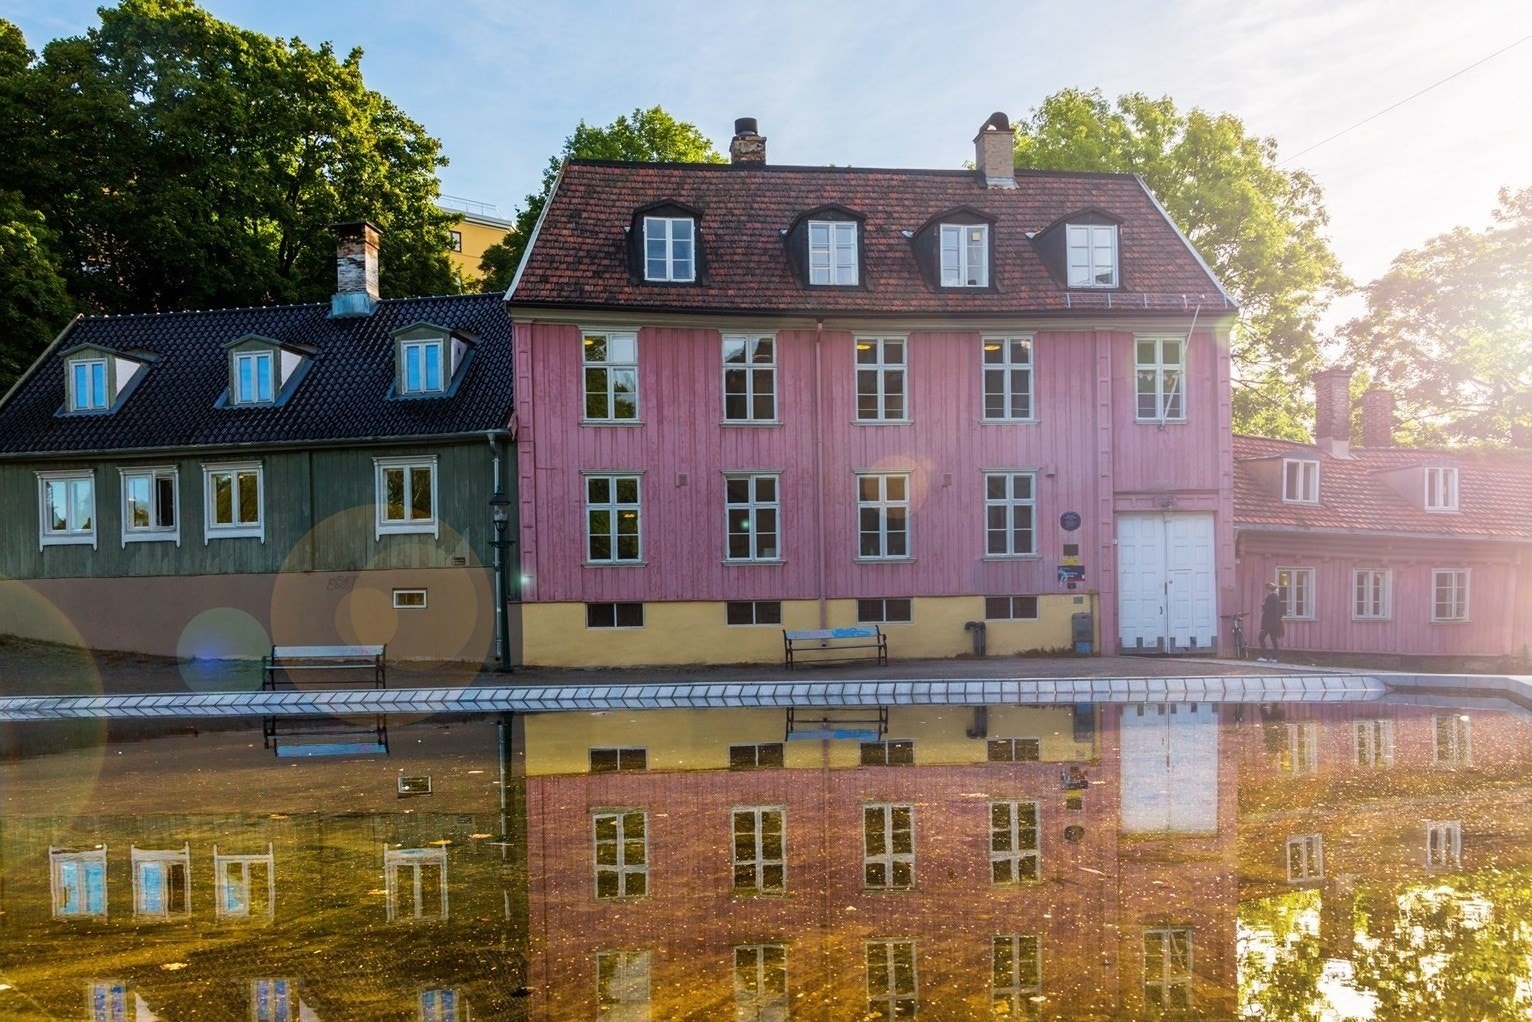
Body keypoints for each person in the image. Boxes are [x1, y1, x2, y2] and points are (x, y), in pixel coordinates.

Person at [1257, 581, 1284, 662]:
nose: (1266, 590)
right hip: (1275, 622)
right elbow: (1280, 611)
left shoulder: (1270, 597)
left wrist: (1263, 605)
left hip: (1268, 623)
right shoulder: (1277, 598)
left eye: (1267, 589)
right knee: (1274, 640)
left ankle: (1263, 656)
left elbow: (1267, 610)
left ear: (1269, 589)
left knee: (1261, 638)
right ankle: (1275, 657)